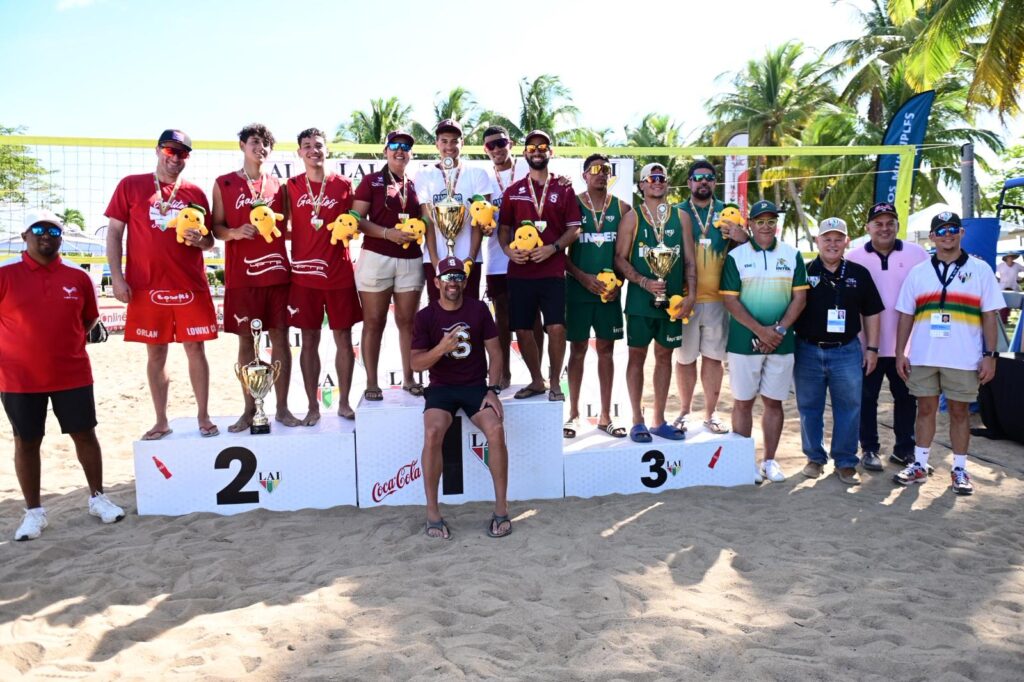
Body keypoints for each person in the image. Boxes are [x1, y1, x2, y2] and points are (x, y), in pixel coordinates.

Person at [1, 210, 125, 541]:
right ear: (24, 236)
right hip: (19, 378)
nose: (47, 235)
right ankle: (34, 512)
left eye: (54, 231)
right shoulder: (5, 274)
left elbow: (87, 322)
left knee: (85, 434)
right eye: (39, 229)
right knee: (27, 441)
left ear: (61, 237)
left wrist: (61, 346)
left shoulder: (77, 276)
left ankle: (98, 498)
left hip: (72, 372)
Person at [105, 129, 219, 440]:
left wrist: (202, 240)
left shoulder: (195, 193)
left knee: (196, 348)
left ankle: (203, 416)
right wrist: (116, 276)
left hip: (188, 284)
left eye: (182, 153)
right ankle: (161, 420)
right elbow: (114, 233)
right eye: (171, 151)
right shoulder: (131, 185)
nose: (176, 158)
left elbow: (209, 241)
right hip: (146, 286)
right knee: (156, 353)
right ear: (158, 151)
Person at [894, 211, 1005, 495]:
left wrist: (990, 355)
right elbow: (906, 316)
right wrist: (900, 353)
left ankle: (959, 469)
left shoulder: (980, 270)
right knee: (926, 410)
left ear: (961, 233)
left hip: (964, 357)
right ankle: (919, 465)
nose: (947, 235)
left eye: (953, 229)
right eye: (941, 231)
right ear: (932, 237)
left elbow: (990, 316)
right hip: (923, 356)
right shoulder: (918, 272)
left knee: (959, 412)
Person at [411, 256, 509, 540]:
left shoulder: (478, 309)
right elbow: (416, 364)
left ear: (465, 282)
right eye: (448, 277)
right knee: (432, 432)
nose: (453, 283)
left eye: (458, 277)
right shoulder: (425, 316)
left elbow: (496, 352)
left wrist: (493, 389)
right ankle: (432, 513)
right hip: (441, 388)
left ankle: (501, 510)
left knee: (496, 428)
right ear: (437, 282)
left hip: (475, 387)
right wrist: (441, 348)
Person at [211, 123, 299, 432]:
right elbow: (216, 228)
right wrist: (234, 232)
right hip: (242, 276)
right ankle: (249, 409)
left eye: (265, 144)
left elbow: (288, 227)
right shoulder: (223, 183)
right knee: (247, 342)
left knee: (280, 341)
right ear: (242, 146)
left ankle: (283, 408)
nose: (260, 147)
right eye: (254, 142)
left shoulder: (279, 185)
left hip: (276, 274)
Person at [720, 200, 808, 482]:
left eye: (771, 221)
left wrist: (778, 331)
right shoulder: (736, 257)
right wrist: (761, 331)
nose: (766, 226)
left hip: (781, 341)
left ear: (777, 224)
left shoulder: (792, 255)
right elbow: (730, 301)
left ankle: (769, 461)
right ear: (751, 225)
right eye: (760, 221)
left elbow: (800, 298)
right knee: (743, 402)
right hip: (743, 342)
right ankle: (744, 464)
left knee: (774, 403)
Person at [793, 218, 883, 485]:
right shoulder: (803, 272)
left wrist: (873, 349)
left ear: (846, 242)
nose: (832, 244)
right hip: (808, 349)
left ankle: (845, 461)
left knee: (849, 407)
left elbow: (872, 313)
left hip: (846, 351)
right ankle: (814, 458)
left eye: (838, 239)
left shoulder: (859, 273)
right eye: (827, 239)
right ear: (817, 241)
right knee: (809, 407)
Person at [497, 130, 582, 401]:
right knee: (522, 328)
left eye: (542, 147)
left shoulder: (564, 188)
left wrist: (553, 248)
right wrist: (508, 251)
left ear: (550, 152)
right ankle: (536, 380)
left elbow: (574, 229)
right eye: (531, 147)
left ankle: (555, 380)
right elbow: (504, 229)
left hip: (553, 270)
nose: (537, 151)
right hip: (520, 271)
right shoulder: (513, 191)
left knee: (557, 327)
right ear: (525, 153)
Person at [614, 163, 696, 443]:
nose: (657, 182)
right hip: (640, 301)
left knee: (664, 356)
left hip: (672, 302)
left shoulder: (681, 217)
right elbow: (619, 259)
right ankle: (637, 420)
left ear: (668, 184)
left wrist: (692, 295)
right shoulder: (632, 218)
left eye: (662, 178)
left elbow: (689, 261)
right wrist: (643, 281)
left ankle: (659, 419)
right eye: (652, 178)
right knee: (637, 356)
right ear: (642, 185)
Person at [286, 128, 363, 421]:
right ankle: (312, 407)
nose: (313, 150)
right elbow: (280, 226)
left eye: (318, 145)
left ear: (326, 149)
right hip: (304, 276)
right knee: (308, 340)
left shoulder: (344, 185)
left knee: (344, 337)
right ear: (299, 153)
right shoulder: (290, 186)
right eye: (307, 146)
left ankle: (344, 402)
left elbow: (356, 223)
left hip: (338, 273)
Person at [847, 202, 929, 470]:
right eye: (878, 223)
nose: (884, 228)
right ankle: (869, 449)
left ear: (897, 226)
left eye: (889, 223)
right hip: (866, 346)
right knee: (866, 400)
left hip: (904, 347)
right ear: (868, 227)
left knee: (906, 399)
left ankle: (904, 449)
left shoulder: (917, 254)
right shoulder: (854, 257)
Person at [673, 160, 747, 434]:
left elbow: (745, 247)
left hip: (718, 299)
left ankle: (711, 413)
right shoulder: (676, 212)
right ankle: (684, 412)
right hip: (685, 299)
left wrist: (742, 236)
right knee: (684, 359)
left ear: (714, 183)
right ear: (689, 183)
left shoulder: (728, 212)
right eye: (698, 177)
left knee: (713, 359)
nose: (703, 182)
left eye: (709, 178)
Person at [352, 130, 425, 401]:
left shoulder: (417, 184)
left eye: (406, 147)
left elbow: (426, 220)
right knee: (373, 322)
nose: (400, 150)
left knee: (409, 322)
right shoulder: (371, 181)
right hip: (376, 257)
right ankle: (372, 382)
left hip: (410, 259)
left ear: (411, 153)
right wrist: (387, 233)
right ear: (385, 150)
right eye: (395, 145)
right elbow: (356, 219)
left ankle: (409, 378)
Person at [563, 154, 633, 439]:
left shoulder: (624, 208)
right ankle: (574, 415)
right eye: (595, 170)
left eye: (605, 170)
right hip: (578, 291)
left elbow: (626, 256)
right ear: (584, 175)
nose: (601, 174)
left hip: (609, 294)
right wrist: (582, 277)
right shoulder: (572, 205)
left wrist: (621, 283)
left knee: (606, 351)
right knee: (577, 351)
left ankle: (605, 416)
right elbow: (560, 253)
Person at [481, 125, 544, 389]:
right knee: (502, 319)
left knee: (533, 319)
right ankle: (503, 373)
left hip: (532, 257)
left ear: (511, 143)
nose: (496, 149)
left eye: (500, 143)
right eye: (490, 146)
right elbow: (483, 217)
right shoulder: (484, 179)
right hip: (498, 258)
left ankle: (537, 375)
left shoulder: (527, 169)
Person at [418, 119, 489, 301]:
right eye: (444, 141)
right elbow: (427, 221)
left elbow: (479, 221)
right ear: (436, 144)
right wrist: (435, 262)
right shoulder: (424, 174)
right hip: (435, 259)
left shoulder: (477, 174)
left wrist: (470, 260)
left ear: (462, 143)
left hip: (469, 259)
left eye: (454, 141)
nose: (449, 146)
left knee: (470, 313)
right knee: (438, 314)